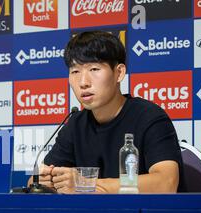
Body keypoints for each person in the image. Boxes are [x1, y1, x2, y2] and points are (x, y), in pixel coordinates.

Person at [29, 31, 185, 193]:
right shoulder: (75, 123)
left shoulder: (149, 116)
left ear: (119, 73)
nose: (83, 82)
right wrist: (44, 181)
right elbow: (36, 182)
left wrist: (87, 185)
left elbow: (166, 183)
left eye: (94, 69)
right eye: (75, 71)